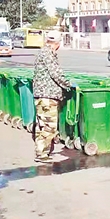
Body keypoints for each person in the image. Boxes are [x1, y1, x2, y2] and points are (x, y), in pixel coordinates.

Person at [32, 31, 71, 163]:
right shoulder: (48, 54)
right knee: (49, 126)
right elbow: (56, 74)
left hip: (42, 95)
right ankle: (41, 154)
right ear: (58, 44)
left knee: (41, 126)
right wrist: (68, 84)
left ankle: (40, 151)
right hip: (47, 96)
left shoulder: (43, 52)